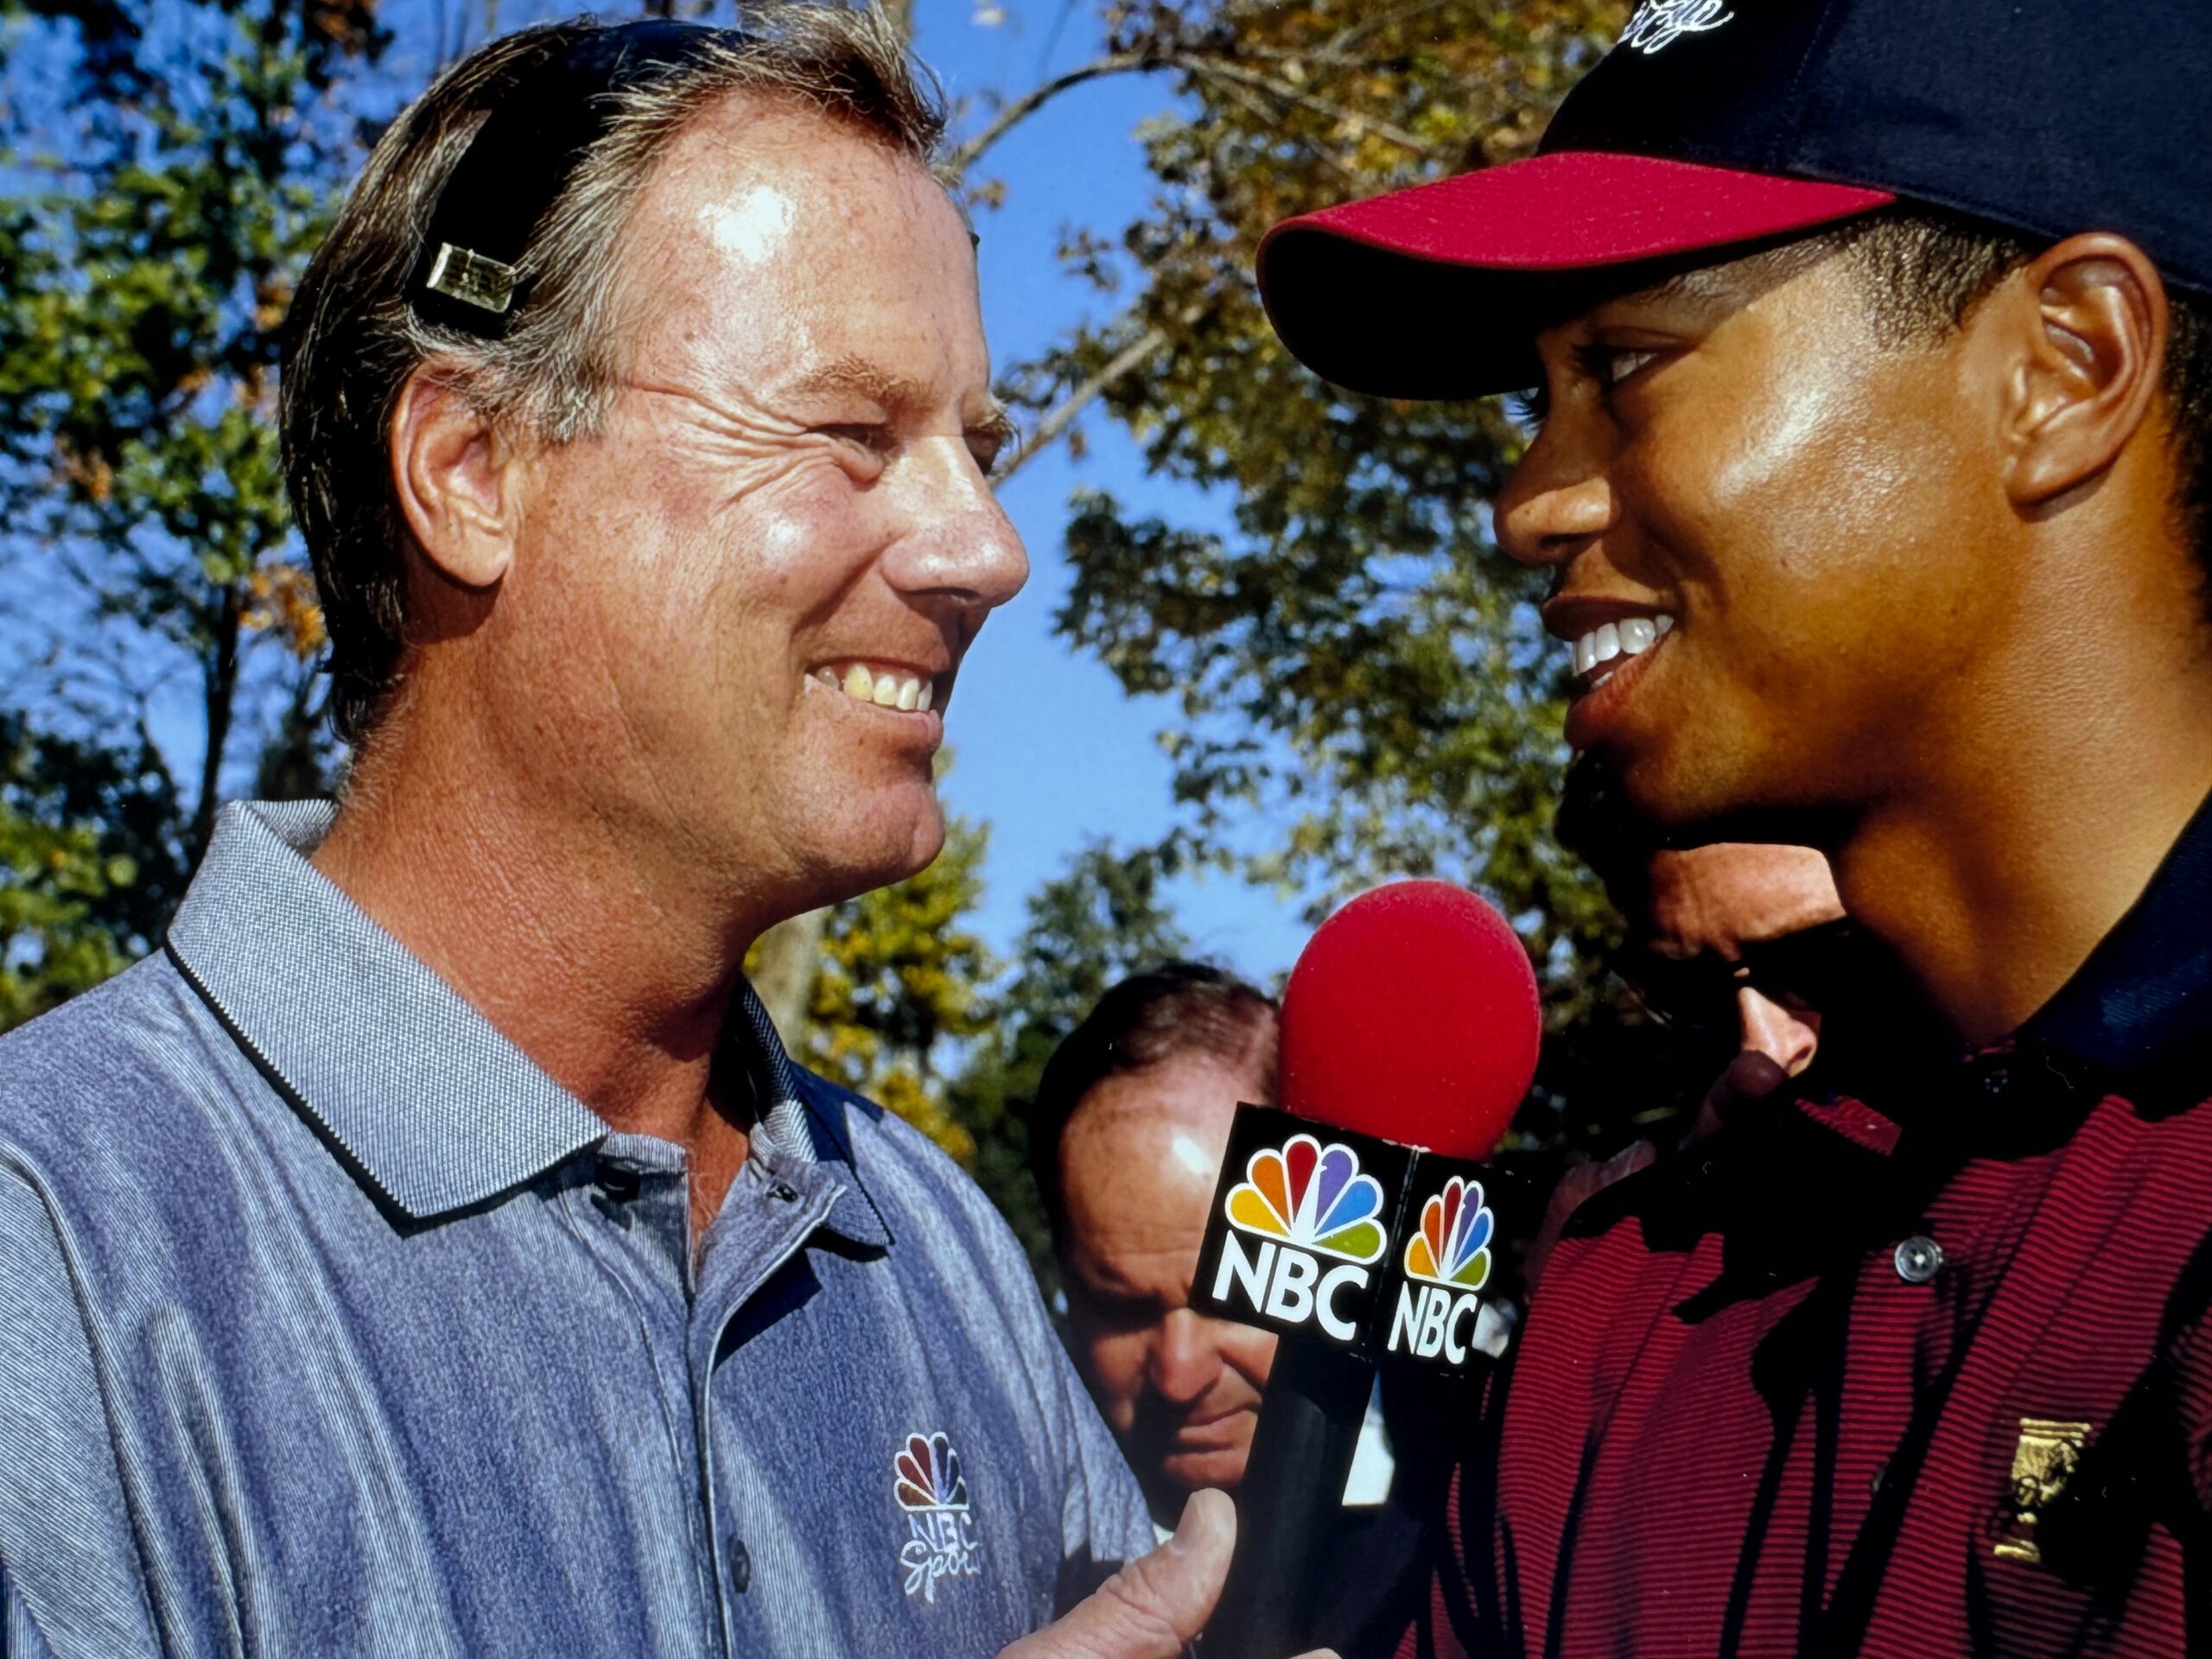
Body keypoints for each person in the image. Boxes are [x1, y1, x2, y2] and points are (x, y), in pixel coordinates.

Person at [0, 15, 1327, 1658]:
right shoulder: (53, 1260)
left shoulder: (930, 1243)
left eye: (972, 450)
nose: (988, 549)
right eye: (852, 432)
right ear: (472, 468)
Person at [1256, 0, 2212, 1652]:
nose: (1527, 503)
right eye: (1542, 395)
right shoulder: (1634, 1299)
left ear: (2067, 370)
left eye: (1624, 373)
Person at [1029, 963, 1440, 1657]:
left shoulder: (1446, 1564)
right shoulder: (1015, 1562)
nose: (1179, 1375)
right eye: (1120, 1307)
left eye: (1237, 1296)